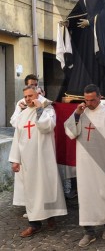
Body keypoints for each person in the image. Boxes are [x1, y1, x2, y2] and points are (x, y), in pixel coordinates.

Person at [64, 84, 105, 248]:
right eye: (86, 99)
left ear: (100, 97)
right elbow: (70, 133)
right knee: (86, 196)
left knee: (104, 194)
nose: (89, 103)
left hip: (103, 162)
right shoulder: (81, 112)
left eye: (92, 100)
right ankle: (88, 231)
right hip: (84, 163)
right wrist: (76, 114)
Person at [9, 86, 67, 237]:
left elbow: (47, 126)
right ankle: (34, 224)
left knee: (47, 188)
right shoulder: (22, 115)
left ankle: (51, 218)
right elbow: (17, 138)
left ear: (38, 95)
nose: (28, 99)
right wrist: (15, 160)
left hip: (44, 157)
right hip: (28, 160)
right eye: (26, 96)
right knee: (32, 192)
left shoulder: (47, 110)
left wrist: (39, 110)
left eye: (30, 95)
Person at [10, 74, 48, 213]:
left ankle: (46, 213)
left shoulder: (44, 102)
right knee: (25, 180)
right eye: (31, 84)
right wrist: (21, 110)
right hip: (24, 144)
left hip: (38, 145)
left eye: (35, 85)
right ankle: (29, 208)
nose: (34, 87)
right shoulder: (22, 102)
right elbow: (14, 122)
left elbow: (48, 123)